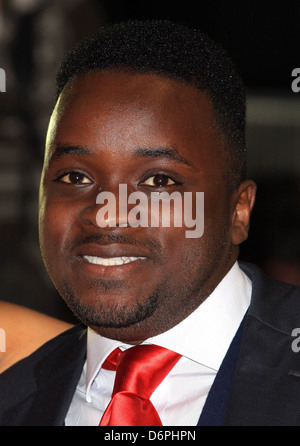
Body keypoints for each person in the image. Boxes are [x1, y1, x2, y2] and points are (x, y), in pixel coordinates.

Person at [1, 19, 300, 426]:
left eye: (159, 181)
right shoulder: (13, 400)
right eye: (76, 177)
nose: (107, 213)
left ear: (238, 211)